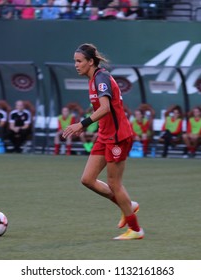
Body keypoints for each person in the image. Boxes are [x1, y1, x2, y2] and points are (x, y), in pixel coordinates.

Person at [63, 43, 143, 240]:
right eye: (75, 61)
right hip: (105, 135)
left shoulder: (101, 78)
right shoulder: (93, 79)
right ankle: (128, 206)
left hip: (117, 137)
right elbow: (102, 109)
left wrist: (81, 124)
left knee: (114, 184)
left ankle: (135, 229)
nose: (76, 65)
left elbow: (106, 108)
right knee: (87, 179)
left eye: (79, 61)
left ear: (91, 62)